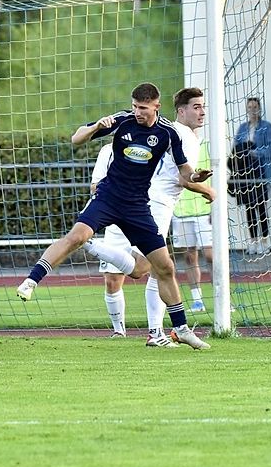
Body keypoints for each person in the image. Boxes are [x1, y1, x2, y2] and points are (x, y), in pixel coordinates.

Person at [17, 83, 215, 350]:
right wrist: (97, 126)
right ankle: (31, 281)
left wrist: (196, 178)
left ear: (156, 107)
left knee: (164, 267)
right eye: (134, 106)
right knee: (77, 236)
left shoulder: (168, 133)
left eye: (143, 108)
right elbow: (77, 138)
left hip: (138, 207)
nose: (137, 112)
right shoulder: (122, 121)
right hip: (109, 198)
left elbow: (184, 172)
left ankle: (181, 328)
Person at [88, 143, 129, 337]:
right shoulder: (108, 151)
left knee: (158, 271)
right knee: (112, 280)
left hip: (147, 217)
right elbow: (95, 187)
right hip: (117, 222)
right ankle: (119, 331)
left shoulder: (158, 143)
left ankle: (157, 331)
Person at [172, 138, 213, 314]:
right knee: (190, 256)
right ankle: (197, 300)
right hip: (181, 210)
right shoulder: (176, 143)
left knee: (211, 256)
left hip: (204, 208)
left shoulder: (207, 145)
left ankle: (223, 298)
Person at [232, 97, 271, 254]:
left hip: (261, 172)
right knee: (249, 208)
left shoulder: (267, 127)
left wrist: (253, 152)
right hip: (245, 174)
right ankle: (253, 242)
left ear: (259, 109)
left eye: (255, 107)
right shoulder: (243, 128)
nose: (252, 110)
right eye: (249, 107)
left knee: (261, 206)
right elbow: (236, 149)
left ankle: (264, 242)